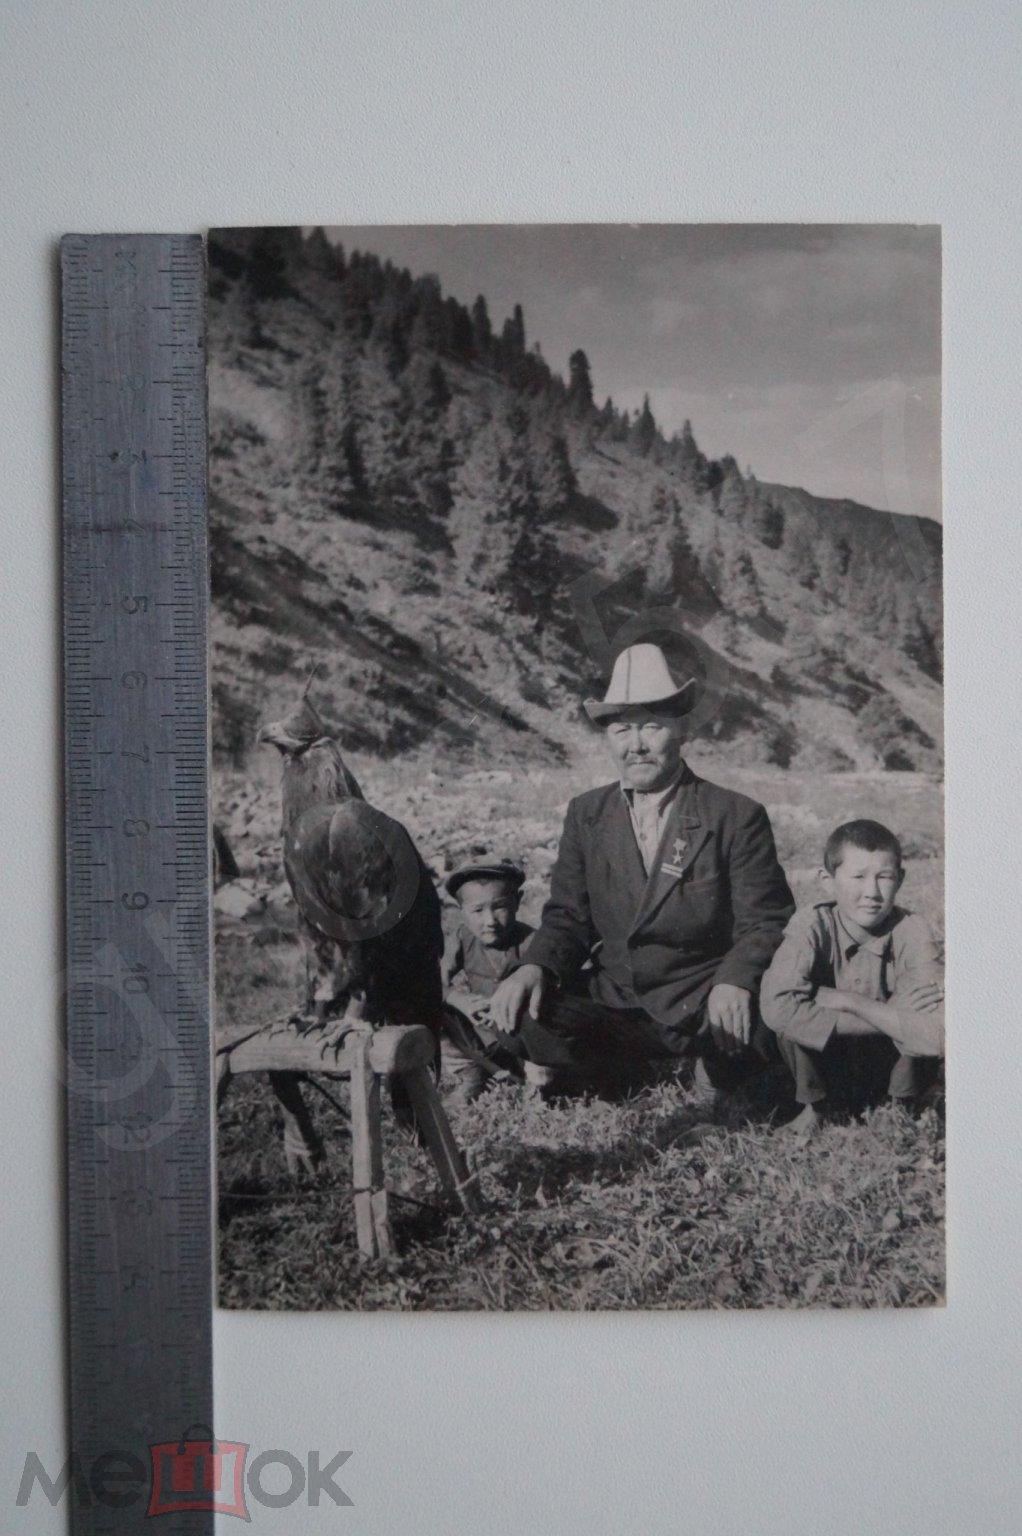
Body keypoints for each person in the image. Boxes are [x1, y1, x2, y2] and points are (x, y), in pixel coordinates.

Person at [489, 643, 795, 1098]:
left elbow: (765, 922)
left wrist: (734, 981)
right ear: (608, 738)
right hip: (617, 1000)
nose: (636, 745)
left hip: (701, 998)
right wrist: (535, 967)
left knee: (774, 1018)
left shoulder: (734, 814)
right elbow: (568, 916)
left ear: (682, 729)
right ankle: (630, 1069)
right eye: (621, 730)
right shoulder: (587, 813)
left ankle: (701, 1065)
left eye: (651, 726)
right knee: (518, 1014)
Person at [760, 818, 944, 1135]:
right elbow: (777, 1008)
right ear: (827, 881)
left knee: (922, 1024)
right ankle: (815, 1108)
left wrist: (851, 1002)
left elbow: (937, 1033)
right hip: (830, 1055)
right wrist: (892, 1014)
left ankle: (900, 1107)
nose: (871, 892)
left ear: (900, 879)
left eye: (884, 877)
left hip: (891, 1063)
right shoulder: (811, 925)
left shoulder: (914, 930)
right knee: (792, 1023)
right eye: (858, 877)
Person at [440, 859, 534, 1103]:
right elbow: (435, 981)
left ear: (517, 901)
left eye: (500, 907)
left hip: (521, 1034)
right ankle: (472, 1073)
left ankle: (530, 1076)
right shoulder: (462, 938)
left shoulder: (530, 941)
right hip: (481, 1032)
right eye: (477, 910)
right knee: (433, 1006)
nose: (490, 920)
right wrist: (459, 999)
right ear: (461, 911)